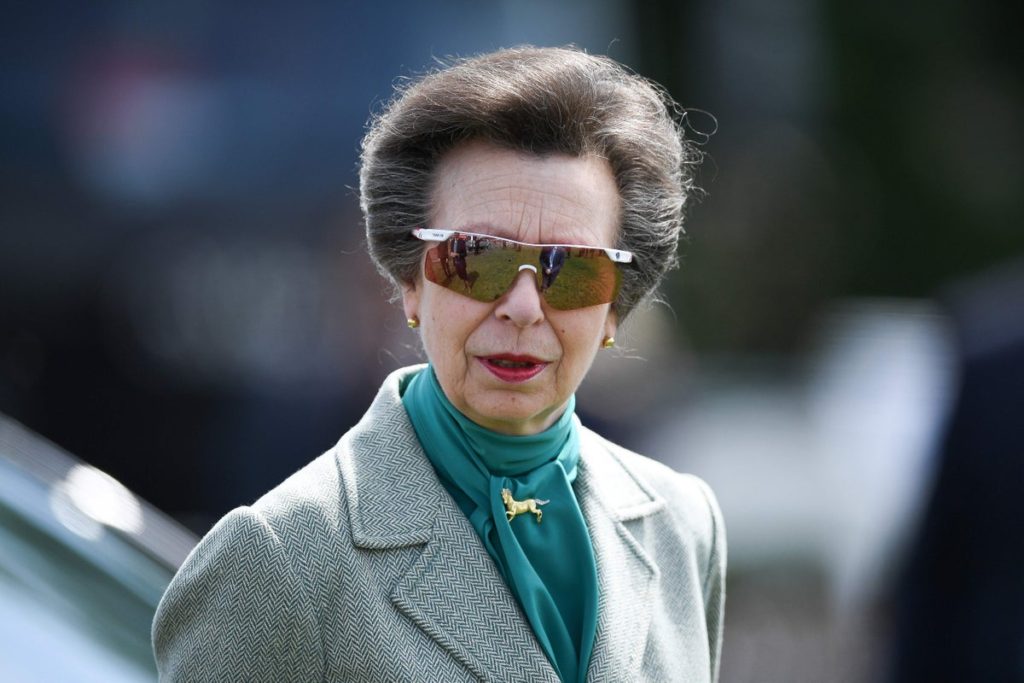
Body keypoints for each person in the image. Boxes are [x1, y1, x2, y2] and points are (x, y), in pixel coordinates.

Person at [153, 46, 726, 682]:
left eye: (572, 270)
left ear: (616, 307)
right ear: (411, 282)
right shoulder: (279, 558)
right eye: (476, 258)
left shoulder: (682, 525)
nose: (522, 308)